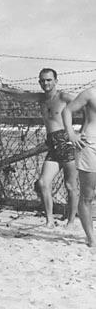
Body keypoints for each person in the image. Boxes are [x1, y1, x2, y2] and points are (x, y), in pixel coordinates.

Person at [0, 70, 79, 227]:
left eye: (49, 80)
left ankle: (71, 222)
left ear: (56, 81)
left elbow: (88, 105)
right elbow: (21, 95)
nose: (46, 83)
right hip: (52, 145)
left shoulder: (64, 97)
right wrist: (0, 88)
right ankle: (49, 220)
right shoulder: (41, 98)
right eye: (43, 81)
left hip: (66, 143)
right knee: (43, 183)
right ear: (39, 82)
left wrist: (81, 132)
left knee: (71, 186)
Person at [62, 88, 96, 247]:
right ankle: (91, 238)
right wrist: (71, 134)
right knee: (87, 195)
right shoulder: (90, 94)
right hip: (90, 144)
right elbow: (67, 110)